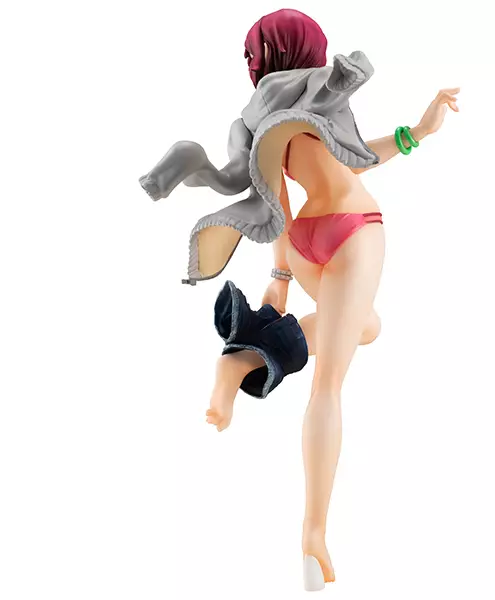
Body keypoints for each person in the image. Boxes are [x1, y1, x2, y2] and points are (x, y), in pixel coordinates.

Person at [140, 8, 459, 591]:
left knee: (367, 327)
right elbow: (355, 160)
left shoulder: (257, 118)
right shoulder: (314, 91)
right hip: (354, 229)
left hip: (309, 239)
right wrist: (419, 130)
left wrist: (282, 275)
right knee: (329, 386)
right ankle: (314, 532)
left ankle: (248, 358)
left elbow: (275, 198)